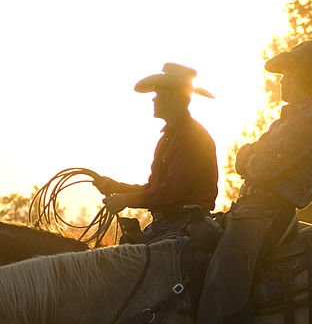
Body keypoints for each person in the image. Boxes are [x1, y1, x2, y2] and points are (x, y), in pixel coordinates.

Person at [196, 41, 312, 324]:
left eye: (288, 74)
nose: (282, 81)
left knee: (228, 277)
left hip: (270, 212)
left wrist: (248, 158)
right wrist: (250, 159)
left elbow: (258, 165)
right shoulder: (288, 119)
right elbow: (251, 158)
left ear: (305, 79)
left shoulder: (309, 121)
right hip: (253, 208)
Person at [93, 63, 218, 241]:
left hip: (185, 228)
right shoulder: (169, 137)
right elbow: (156, 189)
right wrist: (118, 188)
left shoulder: (193, 137)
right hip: (166, 226)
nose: (153, 99)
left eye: (158, 94)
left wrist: (126, 199)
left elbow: (172, 192)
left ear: (172, 97)